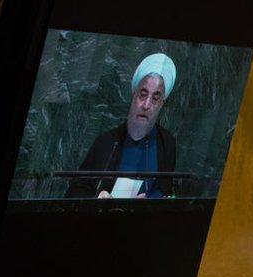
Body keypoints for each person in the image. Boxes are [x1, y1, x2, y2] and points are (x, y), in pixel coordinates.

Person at [66, 53, 178, 199]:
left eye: (155, 98)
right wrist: (98, 196)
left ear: (162, 103)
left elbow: (166, 191)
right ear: (133, 94)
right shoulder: (105, 143)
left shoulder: (166, 143)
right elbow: (75, 193)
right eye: (142, 94)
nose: (146, 105)